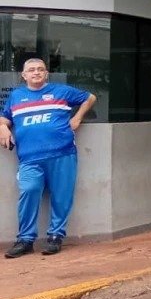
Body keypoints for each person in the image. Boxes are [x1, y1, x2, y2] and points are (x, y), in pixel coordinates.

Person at [0, 58, 96, 257]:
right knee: (29, 190)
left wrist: (77, 118)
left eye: (40, 69)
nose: (36, 72)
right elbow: (5, 117)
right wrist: (3, 127)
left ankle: (55, 237)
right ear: (23, 75)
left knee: (62, 197)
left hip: (63, 154)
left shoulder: (61, 91)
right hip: (29, 159)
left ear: (46, 74)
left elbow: (90, 97)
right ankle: (25, 240)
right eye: (31, 70)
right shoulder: (16, 96)